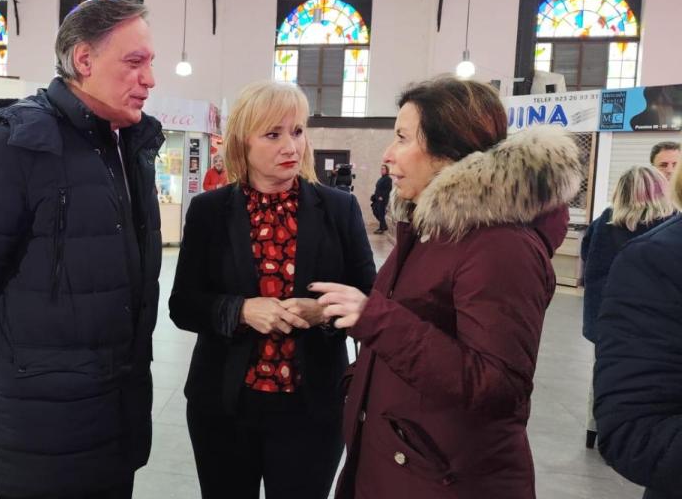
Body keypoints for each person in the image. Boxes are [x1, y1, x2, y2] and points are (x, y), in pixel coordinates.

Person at [0, 0, 161, 499]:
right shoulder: (16, 145)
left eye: (150, 63)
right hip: (38, 426)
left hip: (115, 412)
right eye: (134, 62)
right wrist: (14, 359)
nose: (149, 79)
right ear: (84, 60)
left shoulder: (129, 149)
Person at [312, 78, 582, 499]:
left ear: (448, 150)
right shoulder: (432, 228)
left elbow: (499, 386)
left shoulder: (500, 245)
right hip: (403, 462)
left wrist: (378, 319)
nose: (387, 155)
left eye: (402, 138)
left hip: (446, 479)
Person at [169, 81, 376, 499]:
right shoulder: (210, 212)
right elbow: (184, 305)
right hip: (225, 405)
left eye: (297, 131)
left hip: (311, 406)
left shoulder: (338, 208)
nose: (291, 147)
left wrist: (323, 313)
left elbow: (370, 301)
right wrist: (242, 311)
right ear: (243, 142)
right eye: (273, 134)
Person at [594, 154, 682, 499]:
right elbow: (633, 429)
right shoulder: (658, 255)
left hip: (614, 323)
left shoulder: (608, 224)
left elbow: (593, 268)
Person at [580, 165, 675, 449]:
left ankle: (594, 430)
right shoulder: (670, 225)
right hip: (655, 323)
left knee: (604, 373)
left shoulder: (604, 223)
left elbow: (587, 258)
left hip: (605, 318)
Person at [370, 164, 392, 234]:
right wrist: (375, 195)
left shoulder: (388, 179)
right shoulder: (381, 178)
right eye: (381, 169)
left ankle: (382, 228)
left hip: (382, 199)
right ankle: (384, 226)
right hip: (377, 198)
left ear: (387, 170)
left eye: (383, 169)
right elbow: (378, 188)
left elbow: (388, 189)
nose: (382, 170)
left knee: (380, 213)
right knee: (375, 210)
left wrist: (382, 197)